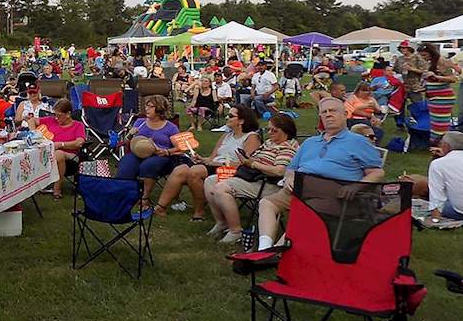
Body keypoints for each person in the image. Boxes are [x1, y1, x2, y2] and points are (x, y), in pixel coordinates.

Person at [256, 98, 385, 250]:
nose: (328, 115)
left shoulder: (358, 141)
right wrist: (290, 177)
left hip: (335, 192)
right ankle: (264, 248)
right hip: (299, 187)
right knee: (267, 203)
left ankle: (278, 251)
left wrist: (356, 186)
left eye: (333, 111)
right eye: (324, 112)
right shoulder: (311, 142)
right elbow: (291, 168)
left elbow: (377, 172)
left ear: (345, 114)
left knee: (305, 211)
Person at [155, 104, 261, 220]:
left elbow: (245, 163)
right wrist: (202, 159)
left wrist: (216, 164)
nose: (226, 117)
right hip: (215, 165)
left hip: (233, 170)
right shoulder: (227, 135)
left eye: (230, 116)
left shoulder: (251, 137)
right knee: (180, 170)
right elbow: (212, 158)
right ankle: (160, 208)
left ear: (241, 120)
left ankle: (199, 212)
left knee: (195, 172)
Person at [206, 114, 299, 244]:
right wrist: (247, 158)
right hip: (251, 176)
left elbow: (279, 171)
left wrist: (253, 164)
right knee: (210, 181)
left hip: (267, 184)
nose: (269, 133)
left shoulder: (287, 148)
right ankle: (222, 223)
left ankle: (235, 231)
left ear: (286, 132)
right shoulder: (269, 143)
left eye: (274, 130)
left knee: (221, 188)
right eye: (268, 129)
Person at [116, 95, 184, 204]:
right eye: (146, 106)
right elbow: (126, 142)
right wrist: (130, 134)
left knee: (149, 165)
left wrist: (167, 152)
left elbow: (181, 148)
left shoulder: (170, 127)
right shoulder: (140, 122)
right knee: (126, 165)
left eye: (150, 107)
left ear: (159, 109)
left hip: (159, 155)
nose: (146, 109)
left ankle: (145, 197)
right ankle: (124, 195)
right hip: (138, 153)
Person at [27, 100, 86, 199]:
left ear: (68, 114)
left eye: (58, 115)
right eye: (55, 114)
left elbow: (79, 143)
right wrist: (34, 134)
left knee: (59, 154)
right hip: (47, 152)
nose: (56, 117)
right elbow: (31, 120)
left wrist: (61, 144)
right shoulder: (51, 120)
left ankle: (57, 189)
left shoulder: (78, 126)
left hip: (70, 156)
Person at [419, 44, 459, 140]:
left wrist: (436, 76)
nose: (423, 57)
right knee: (435, 123)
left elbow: (453, 79)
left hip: (443, 98)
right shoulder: (429, 62)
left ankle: (441, 144)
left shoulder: (442, 61)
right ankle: (436, 143)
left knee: (441, 124)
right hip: (433, 97)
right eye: (421, 55)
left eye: (425, 55)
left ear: (431, 53)